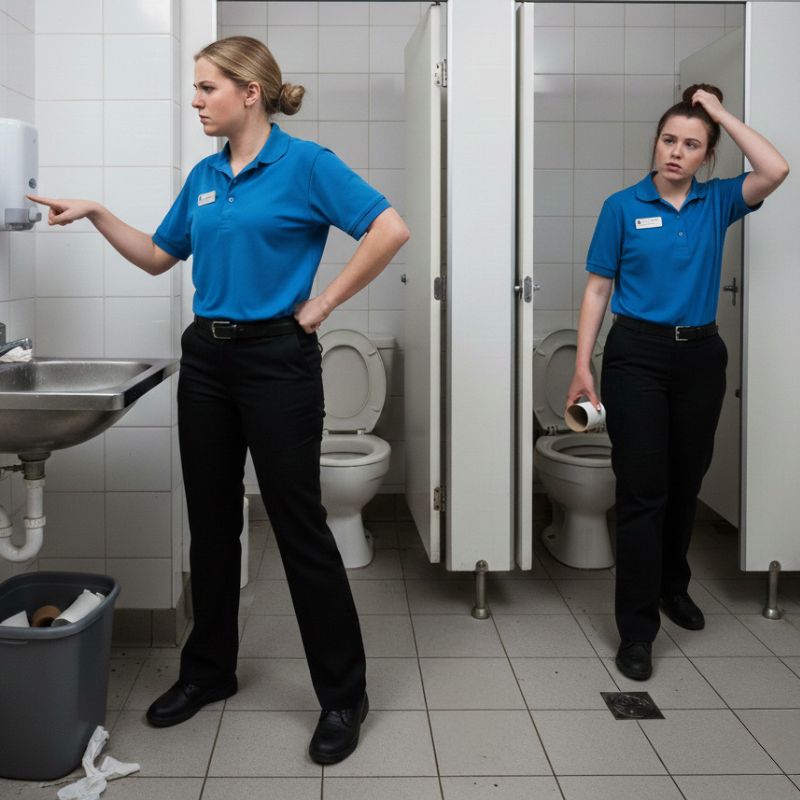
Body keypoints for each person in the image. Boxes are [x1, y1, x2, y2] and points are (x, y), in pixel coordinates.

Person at [29, 36, 409, 763]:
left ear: (250, 92)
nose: (197, 100)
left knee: (298, 527)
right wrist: (98, 212)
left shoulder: (306, 165)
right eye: (197, 88)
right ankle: (209, 672)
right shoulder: (205, 176)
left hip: (277, 361)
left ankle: (342, 695)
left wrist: (323, 303)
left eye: (207, 88)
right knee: (209, 524)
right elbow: (157, 256)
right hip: (206, 357)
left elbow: (390, 229)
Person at [566, 84, 788, 681]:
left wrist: (716, 111)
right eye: (669, 139)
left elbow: (776, 167)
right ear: (655, 143)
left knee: (686, 483)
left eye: (692, 144)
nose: (676, 152)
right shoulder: (622, 206)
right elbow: (597, 289)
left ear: (706, 156)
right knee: (642, 492)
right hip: (635, 354)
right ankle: (637, 630)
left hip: (701, 356)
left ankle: (672, 587)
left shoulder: (719, 201)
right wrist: (583, 365)